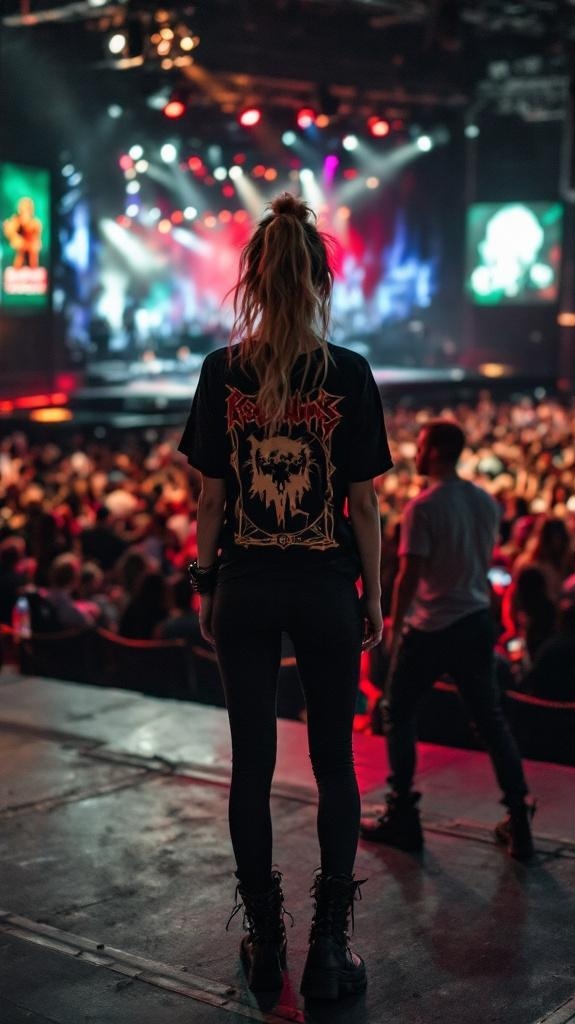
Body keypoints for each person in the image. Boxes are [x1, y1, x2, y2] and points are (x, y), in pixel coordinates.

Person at [178, 192, 392, 1000]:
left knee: (252, 768)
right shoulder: (350, 373)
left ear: (255, 282)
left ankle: (266, 943)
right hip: (325, 585)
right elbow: (364, 505)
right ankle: (328, 950)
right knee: (335, 763)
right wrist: (374, 595)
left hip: (245, 585)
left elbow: (211, 499)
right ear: (320, 282)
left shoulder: (220, 370)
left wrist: (206, 583)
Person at [360, 420, 536, 861]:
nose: (415, 455)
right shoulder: (485, 502)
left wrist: (393, 628)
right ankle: (519, 819)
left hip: (431, 626)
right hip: (474, 622)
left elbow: (409, 577)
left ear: (436, 451)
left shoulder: (423, 508)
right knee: (490, 721)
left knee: (398, 712)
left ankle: (403, 814)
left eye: (420, 447)